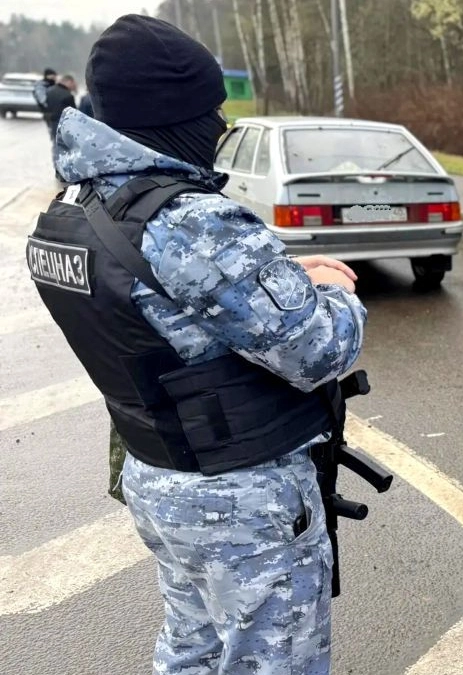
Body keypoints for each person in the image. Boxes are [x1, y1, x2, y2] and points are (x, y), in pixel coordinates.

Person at [26, 15, 366, 675]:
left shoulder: (71, 211)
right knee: (274, 661)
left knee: (192, 651)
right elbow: (320, 348)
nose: (218, 129)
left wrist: (276, 279)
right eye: (213, 114)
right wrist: (335, 292)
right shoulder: (193, 222)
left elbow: (171, 313)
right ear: (172, 116)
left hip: (158, 478)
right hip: (242, 497)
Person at [43, 73, 77, 141]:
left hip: (51, 122)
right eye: (73, 83)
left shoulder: (49, 91)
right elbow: (74, 114)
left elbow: (44, 106)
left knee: (55, 143)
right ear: (69, 82)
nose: (73, 86)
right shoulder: (68, 95)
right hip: (64, 125)